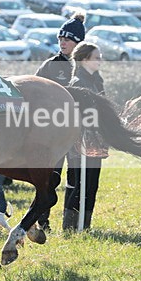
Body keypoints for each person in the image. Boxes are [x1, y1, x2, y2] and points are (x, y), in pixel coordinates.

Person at [35, 14, 85, 231]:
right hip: (52, 132)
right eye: (61, 39)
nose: (63, 43)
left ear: (78, 43)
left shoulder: (84, 66)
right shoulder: (51, 65)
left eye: (68, 39)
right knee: (49, 178)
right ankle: (41, 219)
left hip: (77, 132)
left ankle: (71, 223)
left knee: (75, 180)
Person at [63, 41, 106, 231]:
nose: (100, 61)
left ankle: (85, 224)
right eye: (96, 58)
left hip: (96, 141)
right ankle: (70, 226)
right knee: (78, 184)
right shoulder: (77, 83)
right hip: (79, 142)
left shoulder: (97, 81)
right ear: (83, 60)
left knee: (91, 185)